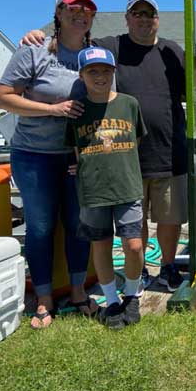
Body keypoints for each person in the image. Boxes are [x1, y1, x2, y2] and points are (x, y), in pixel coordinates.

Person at [22, 0, 189, 293]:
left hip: (169, 150)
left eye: (148, 14)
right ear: (127, 19)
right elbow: (72, 37)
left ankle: (168, 265)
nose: (142, 19)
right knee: (133, 225)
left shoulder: (172, 50)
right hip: (125, 155)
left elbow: (192, 91)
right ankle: (138, 274)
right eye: (136, 14)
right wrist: (38, 35)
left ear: (157, 19)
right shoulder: (110, 46)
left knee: (169, 217)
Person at [0, 0, 99, 329]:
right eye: (72, 8)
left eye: (86, 9)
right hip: (34, 156)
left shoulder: (94, 54)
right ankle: (43, 299)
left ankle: (78, 292)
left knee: (78, 226)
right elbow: (3, 98)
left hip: (76, 158)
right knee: (39, 227)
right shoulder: (34, 50)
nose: (80, 13)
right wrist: (51, 109)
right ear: (58, 12)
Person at [65, 47, 146, 329]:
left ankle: (132, 294)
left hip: (128, 186)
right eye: (92, 71)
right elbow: (76, 150)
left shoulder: (129, 104)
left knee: (134, 245)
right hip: (93, 190)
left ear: (114, 72)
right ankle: (111, 301)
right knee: (101, 245)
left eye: (105, 70)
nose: (99, 76)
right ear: (82, 75)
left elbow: (138, 140)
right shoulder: (76, 111)